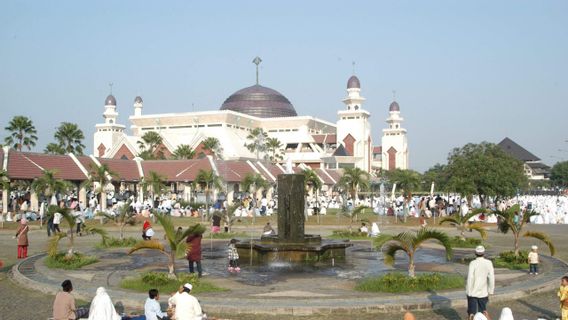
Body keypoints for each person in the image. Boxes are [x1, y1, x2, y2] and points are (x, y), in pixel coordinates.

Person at [466, 245, 495, 320]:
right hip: (483, 292)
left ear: (475, 252)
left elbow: (470, 278)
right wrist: (491, 290)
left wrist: (468, 291)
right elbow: (491, 277)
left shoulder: (473, 263)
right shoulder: (489, 263)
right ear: (484, 253)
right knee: (483, 313)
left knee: (471, 314)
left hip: (472, 291)